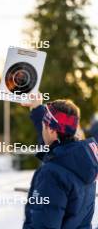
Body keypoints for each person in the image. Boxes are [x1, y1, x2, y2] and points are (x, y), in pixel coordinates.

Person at [22, 94, 98, 229]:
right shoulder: (83, 162)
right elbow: (54, 138)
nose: (43, 128)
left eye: (44, 125)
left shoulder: (51, 174)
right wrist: (37, 108)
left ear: (50, 129)